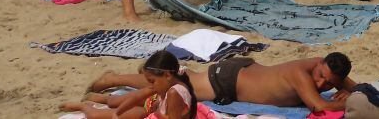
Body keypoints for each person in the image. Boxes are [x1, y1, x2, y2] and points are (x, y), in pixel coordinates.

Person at [86, 54, 355, 113]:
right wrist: (343, 100)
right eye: (320, 75)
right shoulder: (301, 75)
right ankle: (112, 79)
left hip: (243, 71)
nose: (320, 82)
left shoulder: (322, 66)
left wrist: (349, 88)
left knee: (187, 79)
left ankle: (115, 80)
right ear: (319, 64)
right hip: (227, 81)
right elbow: (319, 106)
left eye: (328, 83)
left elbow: (354, 86)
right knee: (174, 85)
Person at [61, 50, 211, 119]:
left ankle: (84, 107)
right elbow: (137, 96)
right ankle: (96, 100)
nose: (150, 85)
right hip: (152, 107)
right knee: (114, 102)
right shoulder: (163, 86)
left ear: (167, 75)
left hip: (150, 110)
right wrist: (119, 112)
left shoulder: (174, 93)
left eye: (152, 80)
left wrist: (155, 111)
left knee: (98, 115)